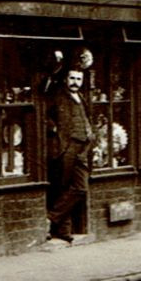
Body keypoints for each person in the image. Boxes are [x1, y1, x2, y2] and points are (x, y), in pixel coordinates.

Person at [46, 64, 95, 242]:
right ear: (66, 79)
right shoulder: (58, 96)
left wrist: (90, 135)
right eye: (72, 78)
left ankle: (50, 218)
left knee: (80, 188)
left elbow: (86, 118)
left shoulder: (81, 97)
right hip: (66, 147)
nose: (75, 82)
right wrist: (54, 131)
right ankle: (64, 230)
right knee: (63, 187)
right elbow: (45, 116)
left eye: (78, 79)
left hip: (82, 148)